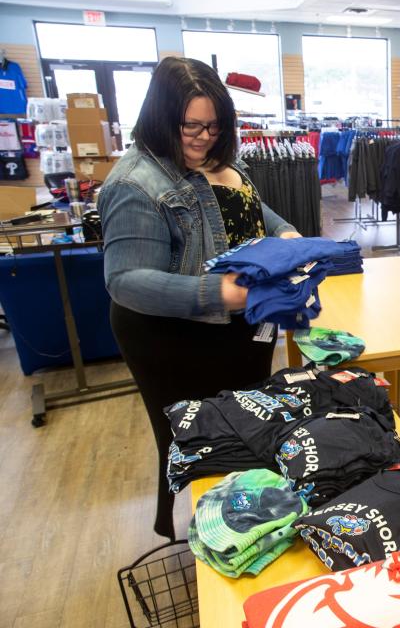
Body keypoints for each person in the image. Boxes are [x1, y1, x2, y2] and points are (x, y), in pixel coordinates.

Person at [99, 57, 300, 541]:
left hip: (237, 324)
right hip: (177, 336)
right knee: (200, 438)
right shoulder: (135, 183)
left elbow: (248, 204)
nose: (203, 136)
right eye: (191, 125)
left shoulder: (215, 157)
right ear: (162, 118)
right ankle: (208, 532)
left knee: (243, 427)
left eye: (214, 125)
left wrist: (284, 231)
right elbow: (125, 280)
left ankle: (242, 518)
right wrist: (222, 291)